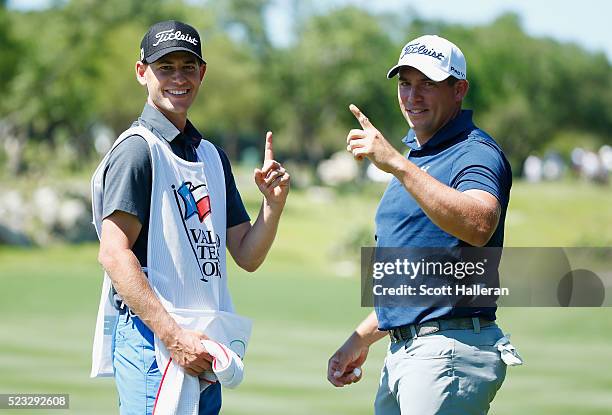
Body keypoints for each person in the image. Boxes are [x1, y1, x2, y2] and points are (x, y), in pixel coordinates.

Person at [91, 20, 290, 414]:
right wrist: (173, 337)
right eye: (165, 67)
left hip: (202, 344)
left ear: (202, 73)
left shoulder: (211, 156)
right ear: (141, 72)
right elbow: (114, 254)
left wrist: (272, 205)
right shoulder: (137, 150)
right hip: (156, 341)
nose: (178, 78)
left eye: (187, 67)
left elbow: (247, 255)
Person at [327, 34, 517, 414]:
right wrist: (361, 338)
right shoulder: (420, 159)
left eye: (427, 84)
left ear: (459, 89)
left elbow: (480, 224)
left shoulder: (474, 151)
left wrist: (397, 164)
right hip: (408, 351)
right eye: (405, 83)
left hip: (446, 353)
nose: (413, 96)